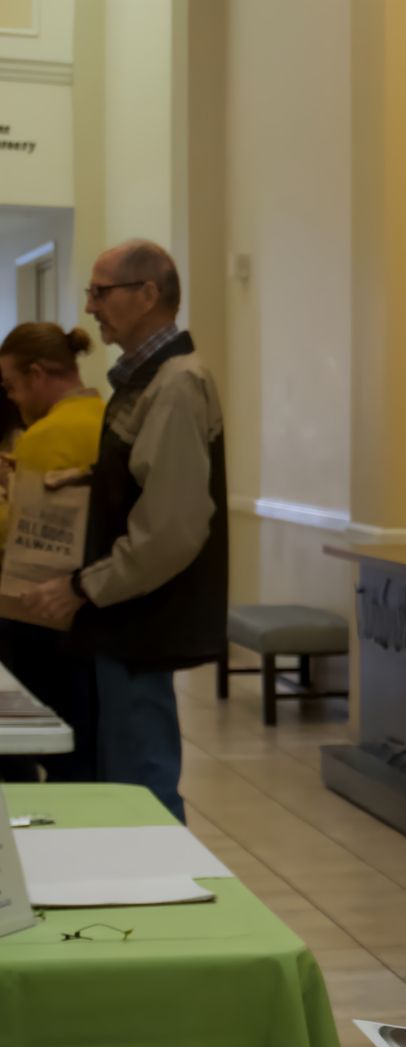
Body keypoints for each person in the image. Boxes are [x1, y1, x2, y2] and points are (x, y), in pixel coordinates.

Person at [22, 241, 228, 824]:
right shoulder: (144, 380)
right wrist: (83, 479)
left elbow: (172, 526)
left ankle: (167, 902)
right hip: (123, 617)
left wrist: (84, 586)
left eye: (100, 291)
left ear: (148, 295)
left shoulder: (176, 383)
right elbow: (145, 473)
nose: (89, 307)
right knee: (122, 774)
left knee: (142, 785)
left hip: (140, 616)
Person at [0, 322, 104, 782]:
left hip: (43, 612)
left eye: (13, 387)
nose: (14, 401)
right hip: (100, 602)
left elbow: (21, 536)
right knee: (89, 735)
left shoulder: (44, 437)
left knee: (49, 740)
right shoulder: (110, 417)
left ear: (38, 374)